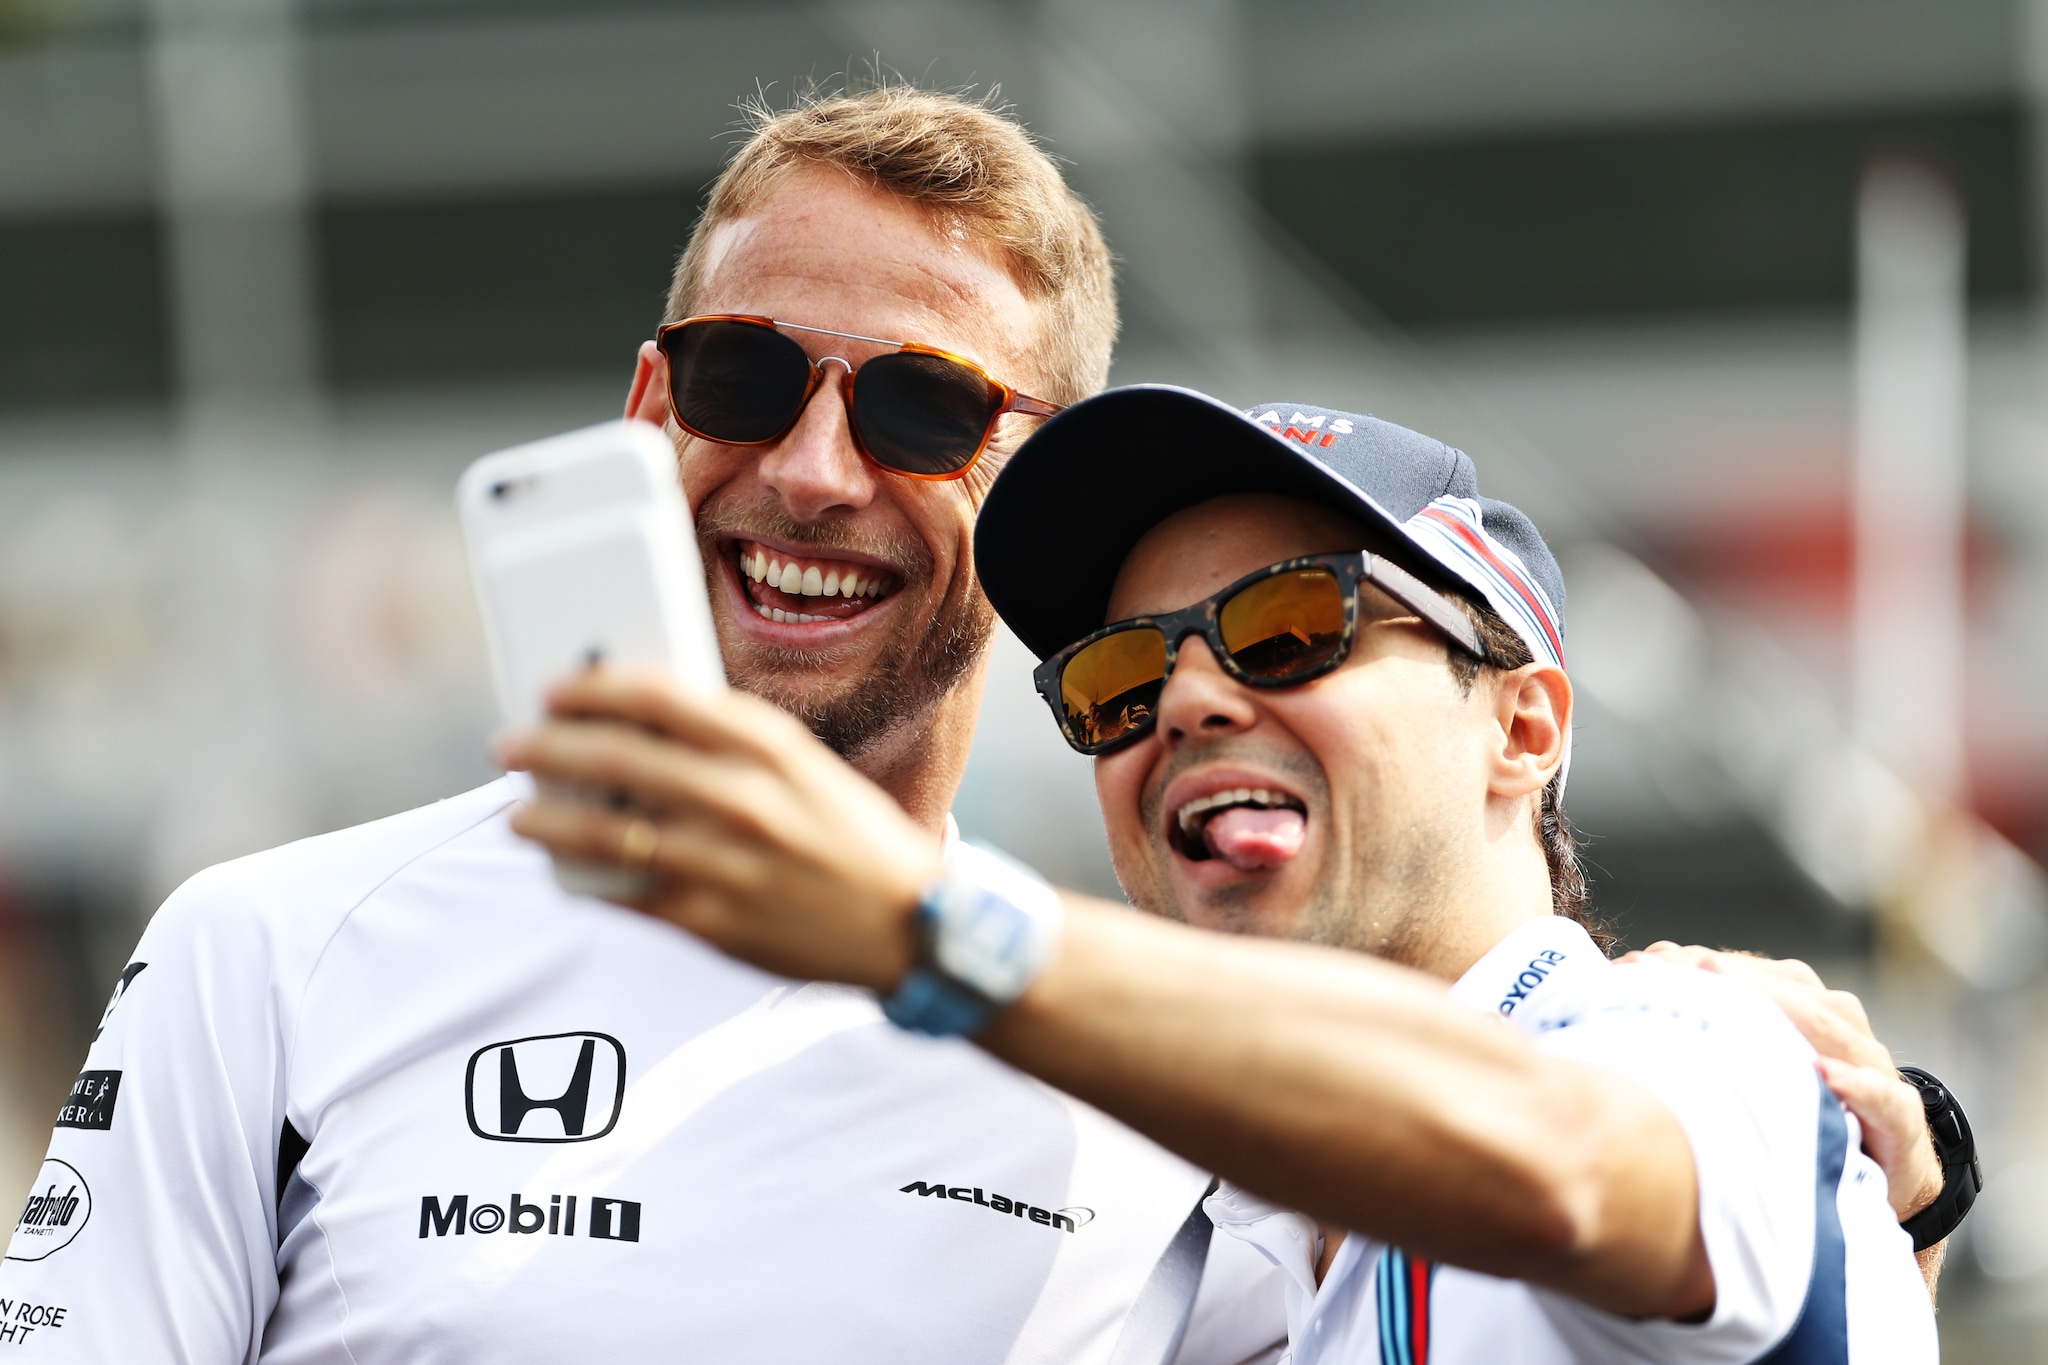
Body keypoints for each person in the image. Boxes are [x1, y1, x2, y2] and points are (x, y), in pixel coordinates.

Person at [0, 90, 1290, 1363]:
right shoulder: (270, 952)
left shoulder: (1170, 1072)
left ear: (1038, 490)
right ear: (649, 404)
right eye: (744, 377)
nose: (810, 472)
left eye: (925, 411)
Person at [500, 386, 1950, 1361]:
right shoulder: (1194, 1237)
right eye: (1121, 674)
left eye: (1290, 624)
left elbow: (1571, 1168)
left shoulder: (1702, 1042)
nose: (1186, 703)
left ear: (1523, 723)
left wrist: (929, 923)